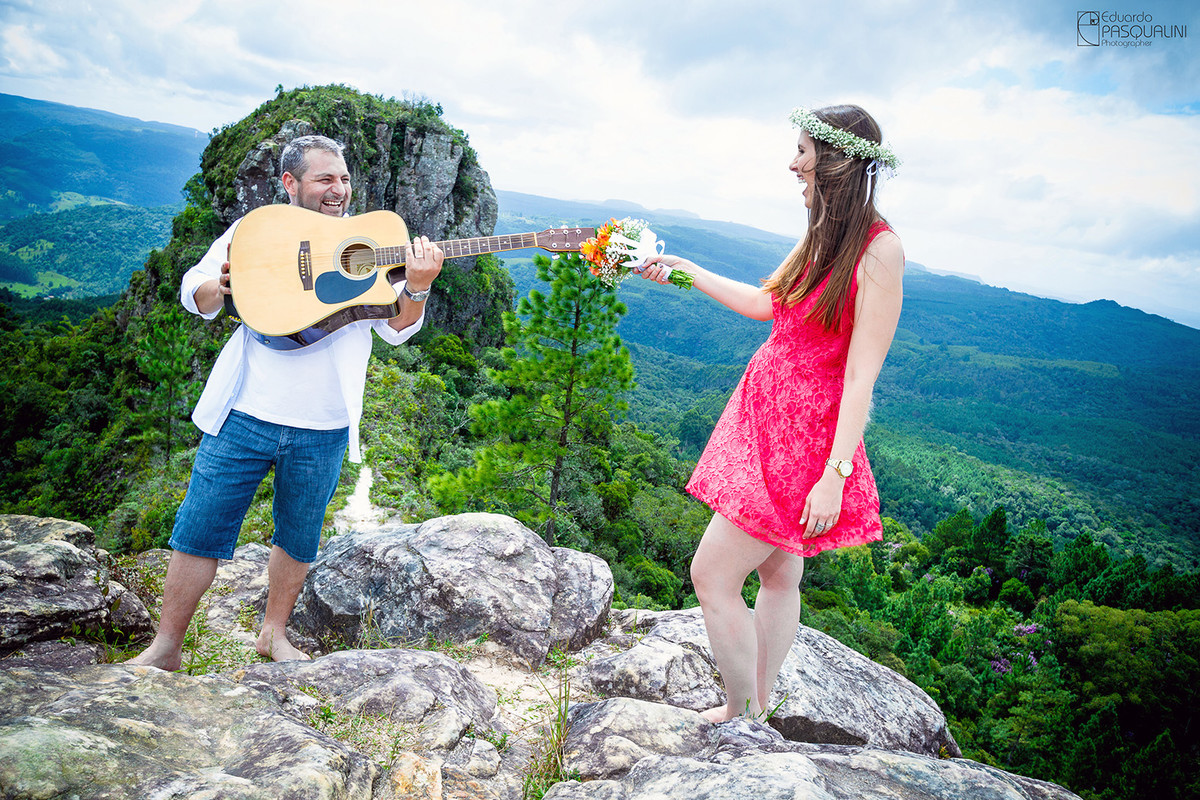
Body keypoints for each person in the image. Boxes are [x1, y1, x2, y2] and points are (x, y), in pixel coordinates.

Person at [129, 134, 444, 669]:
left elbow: (397, 329)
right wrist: (217, 290)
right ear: (290, 184)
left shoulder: (375, 239)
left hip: (324, 422)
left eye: (344, 178)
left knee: (298, 537)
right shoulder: (258, 230)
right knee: (199, 529)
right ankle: (166, 647)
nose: (339, 189)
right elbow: (195, 285)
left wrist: (416, 286)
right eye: (325, 178)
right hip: (244, 411)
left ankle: (273, 634)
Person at [638, 105, 904, 722]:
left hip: (804, 444)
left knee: (711, 576)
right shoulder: (821, 232)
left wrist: (834, 476)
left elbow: (863, 375)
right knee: (781, 576)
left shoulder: (879, 249)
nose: (793, 163)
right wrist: (685, 271)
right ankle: (756, 705)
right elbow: (765, 304)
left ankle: (739, 713)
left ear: (836, 162)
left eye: (804, 152)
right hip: (766, 419)